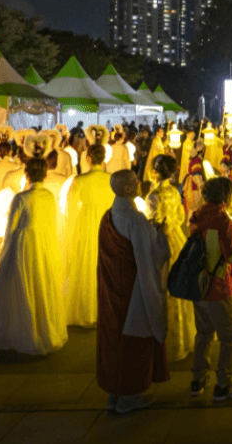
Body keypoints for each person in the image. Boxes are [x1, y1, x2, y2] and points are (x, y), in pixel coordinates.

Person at [97, 170, 171, 414]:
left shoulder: (108, 217)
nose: (140, 183)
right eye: (136, 181)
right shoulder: (135, 219)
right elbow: (151, 254)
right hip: (133, 292)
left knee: (113, 342)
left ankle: (114, 394)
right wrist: (161, 235)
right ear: (128, 189)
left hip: (112, 290)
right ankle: (129, 398)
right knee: (132, 344)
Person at [0, 158, 68, 355]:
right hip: (44, 244)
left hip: (23, 245)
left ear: (27, 174)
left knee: (23, 285)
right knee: (41, 283)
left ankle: (24, 331)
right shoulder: (48, 196)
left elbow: (10, 228)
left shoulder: (21, 198)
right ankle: (43, 328)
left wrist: (4, 252)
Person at [188, 176, 232, 401]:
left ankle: (198, 379)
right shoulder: (222, 220)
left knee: (204, 332)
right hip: (218, 285)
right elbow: (231, 254)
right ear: (226, 197)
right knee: (230, 335)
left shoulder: (198, 216)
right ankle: (224, 384)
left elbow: (210, 244)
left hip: (199, 284)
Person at [145, 154, 195, 363]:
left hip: (161, 242)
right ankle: (182, 337)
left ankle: (164, 342)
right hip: (177, 239)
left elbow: (151, 224)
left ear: (155, 171)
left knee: (160, 289)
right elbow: (181, 217)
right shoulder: (174, 192)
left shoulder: (154, 196)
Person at [63, 144, 114, 328]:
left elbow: (70, 208)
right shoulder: (111, 179)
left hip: (85, 223)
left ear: (88, 158)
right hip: (108, 223)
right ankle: (107, 309)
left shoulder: (80, 179)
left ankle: (86, 308)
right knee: (106, 264)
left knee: (86, 262)